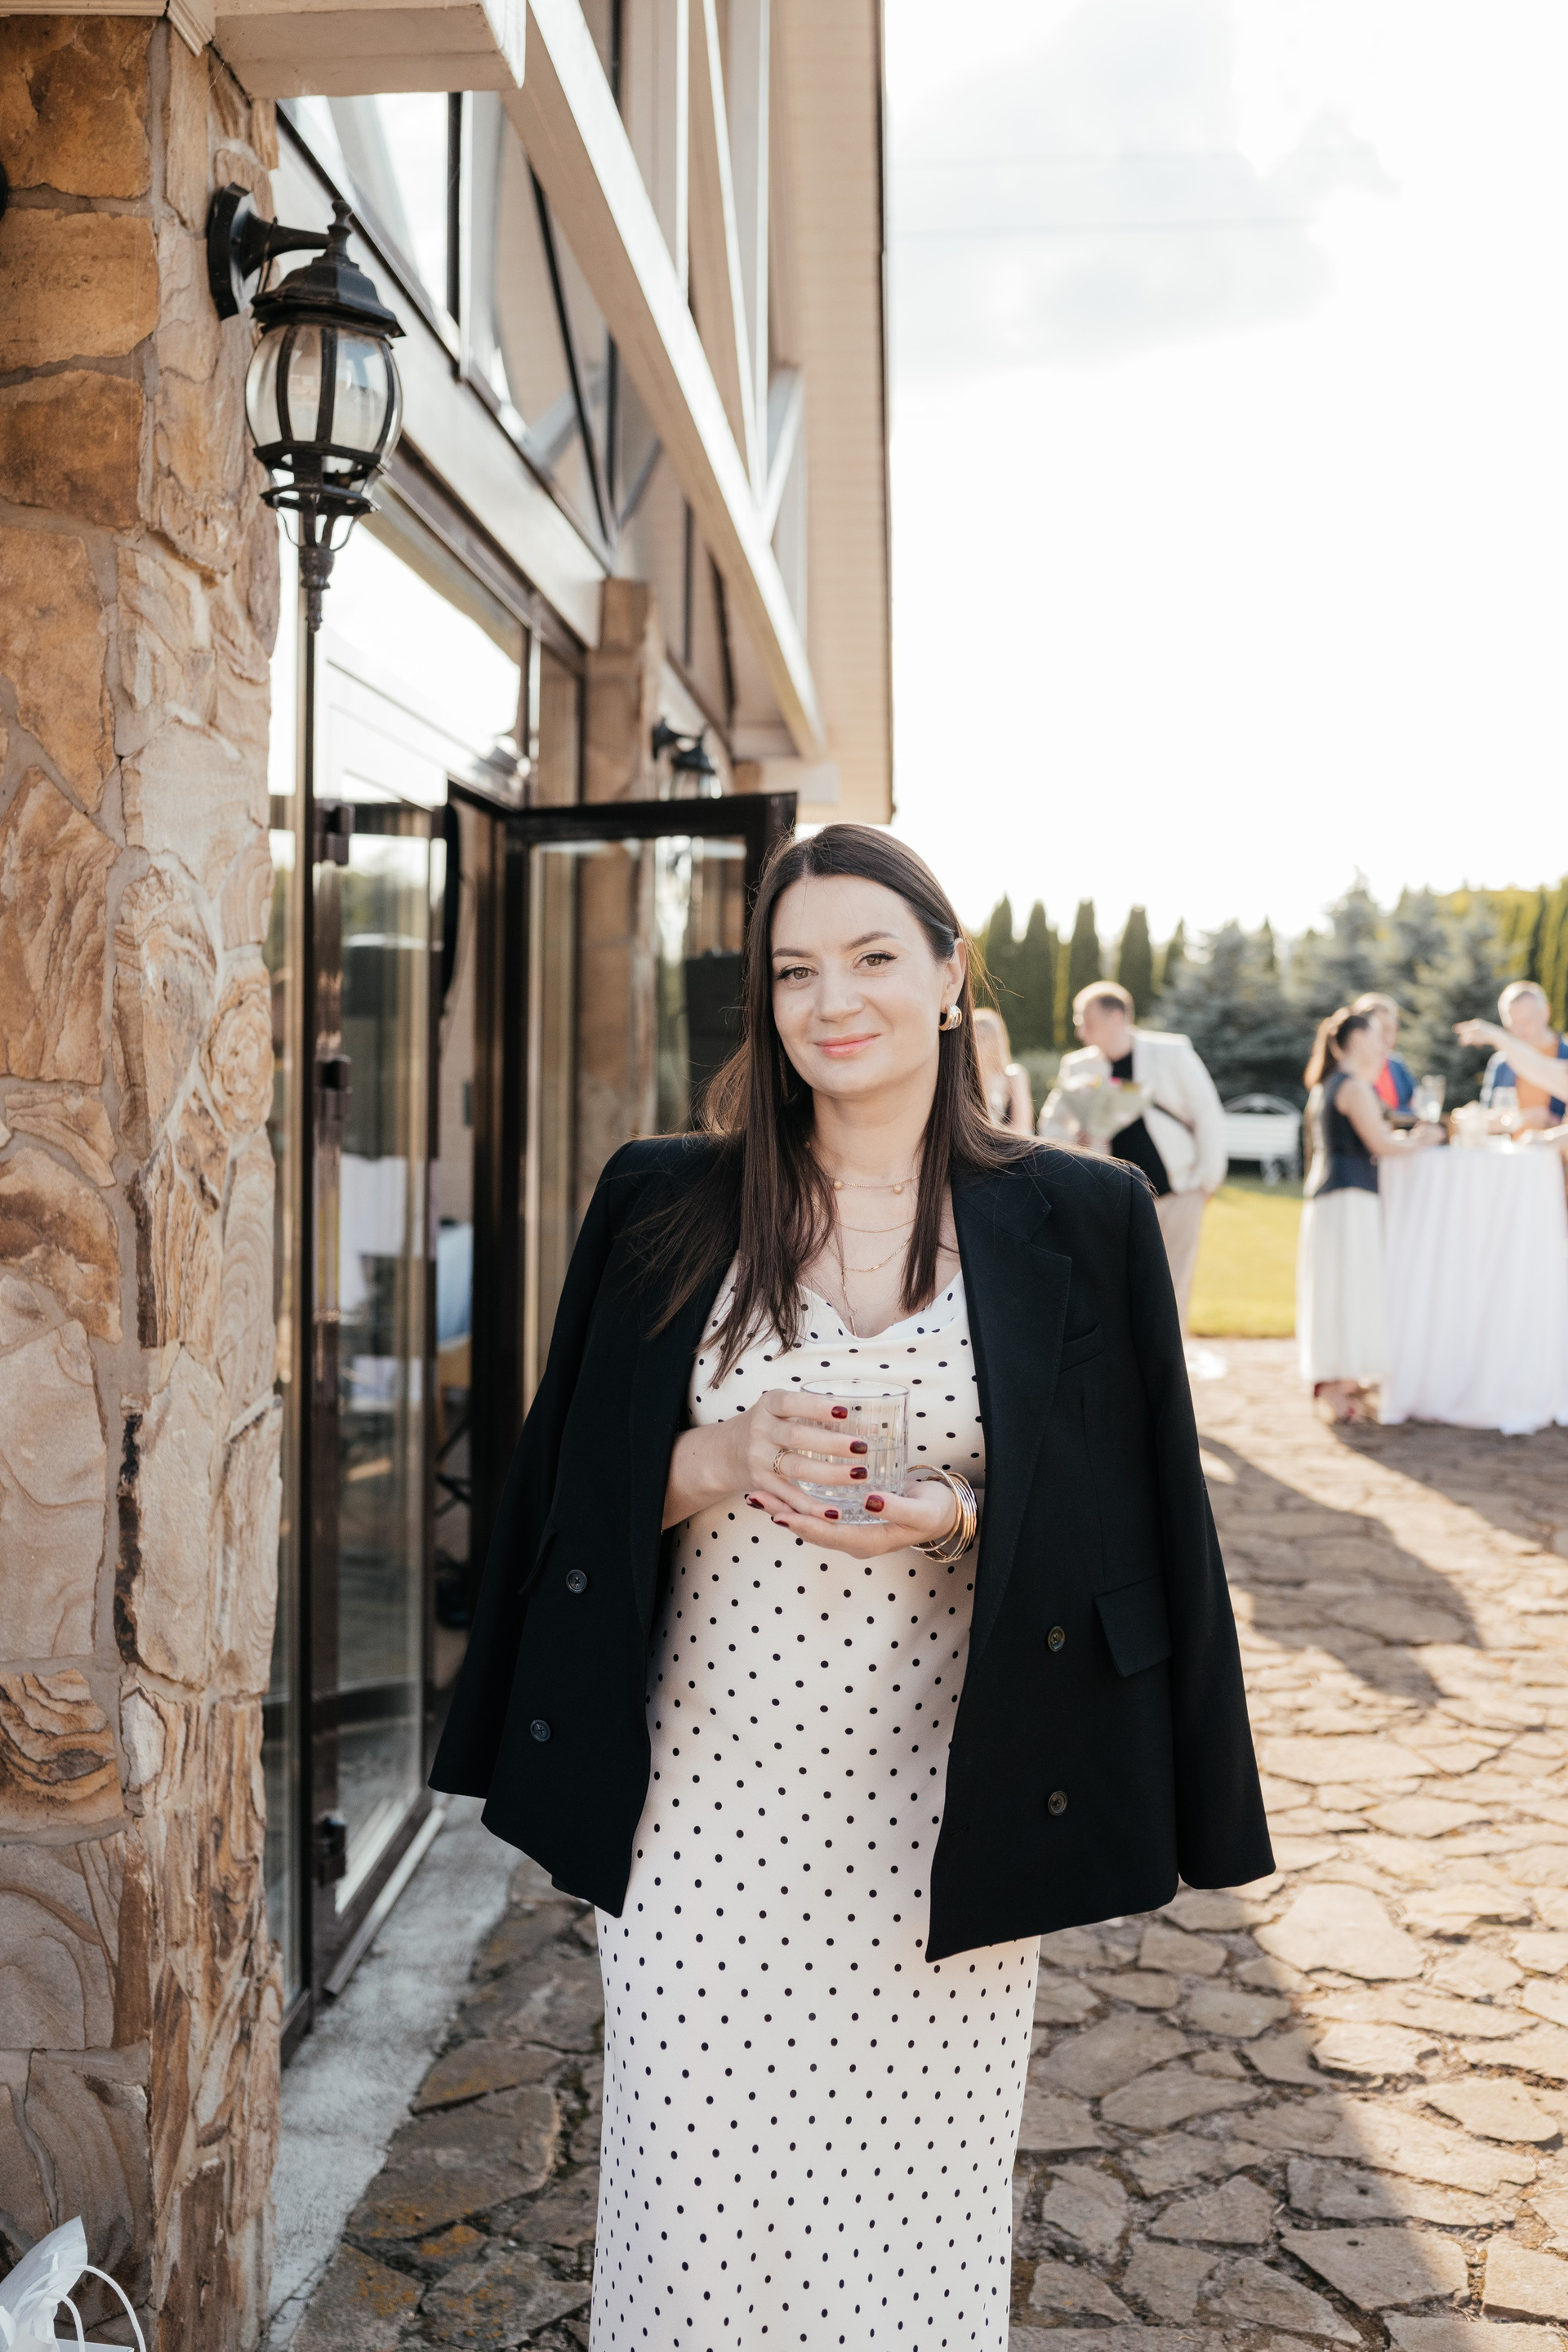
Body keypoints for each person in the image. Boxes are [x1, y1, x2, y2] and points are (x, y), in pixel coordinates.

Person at [431, 824, 1272, 2352]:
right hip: (704, 1812)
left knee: (907, 2223)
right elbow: (561, 1492)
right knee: (698, 2220)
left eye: (874, 957)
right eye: (796, 969)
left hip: (949, 1814)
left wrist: (954, 1514)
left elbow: (1131, 1514)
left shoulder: (1083, 1216)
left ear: (950, 978)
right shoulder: (661, 1199)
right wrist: (721, 1454)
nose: (834, 1000)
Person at [1044, 980, 1227, 1332]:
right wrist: (1082, 1136)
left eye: (1086, 1022)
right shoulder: (1077, 1067)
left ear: (1117, 1017)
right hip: (1111, 1198)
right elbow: (1051, 1126)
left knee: (1174, 1285)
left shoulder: (1172, 1053)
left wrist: (1207, 1180)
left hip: (1179, 1190)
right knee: (1116, 1286)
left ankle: (1171, 1361)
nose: (1080, 1032)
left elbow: (1207, 1114)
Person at [1298, 1007, 1441, 1423]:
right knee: (1344, 1288)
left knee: (1341, 1286)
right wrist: (1425, 1140)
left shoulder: (1332, 1083)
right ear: (1358, 1040)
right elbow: (1382, 1145)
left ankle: (1341, 1378)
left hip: (1337, 1196)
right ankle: (1332, 1385)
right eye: (1377, 1037)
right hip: (1347, 1198)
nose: (1384, 1046)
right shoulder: (1352, 1087)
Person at [1455, 982, 1568, 1127]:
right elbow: (1487, 1111)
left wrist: (1553, 1124)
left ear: (1546, 1012)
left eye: (1527, 1022)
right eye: (1513, 1023)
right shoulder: (1501, 1062)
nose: (1520, 1030)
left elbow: (1544, 1070)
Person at [1352, 991, 1416, 1118]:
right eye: (1379, 1030)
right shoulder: (1352, 1072)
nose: (1385, 1038)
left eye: (1390, 1029)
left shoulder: (1397, 1064)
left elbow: (1416, 1102)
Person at [972, 1001, 1034, 1129]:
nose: (975, 1045)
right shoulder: (964, 1079)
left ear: (996, 1042)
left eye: (982, 1038)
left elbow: (1022, 1126)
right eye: (971, 1038)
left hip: (1011, 1142)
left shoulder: (1014, 1076)